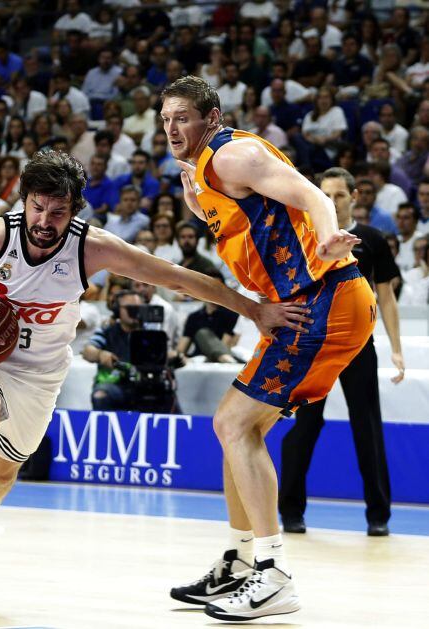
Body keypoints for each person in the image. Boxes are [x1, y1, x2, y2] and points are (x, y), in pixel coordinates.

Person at [0, 149, 309, 582]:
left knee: (4, 471)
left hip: (39, 371)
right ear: (24, 201)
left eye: (58, 212)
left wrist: (252, 310)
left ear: (75, 212)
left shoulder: (91, 248)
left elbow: (177, 277)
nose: (45, 221)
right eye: (38, 208)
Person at [164, 76, 375, 621]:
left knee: (235, 425)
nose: (170, 129)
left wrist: (328, 233)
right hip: (301, 305)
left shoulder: (234, 154)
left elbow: (310, 194)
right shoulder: (205, 175)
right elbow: (249, 224)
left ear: (211, 116)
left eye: (182, 117)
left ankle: (274, 572)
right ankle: (238, 562)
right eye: (165, 120)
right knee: (235, 427)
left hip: (324, 299)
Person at [280, 167, 403, 538]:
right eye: (326, 195)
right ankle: (290, 512)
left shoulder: (372, 239)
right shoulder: (303, 237)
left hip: (359, 346)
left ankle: (378, 515)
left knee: (367, 427)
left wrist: (396, 349)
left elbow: (386, 296)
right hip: (314, 347)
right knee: (304, 426)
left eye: (339, 196)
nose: (332, 202)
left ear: (354, 197)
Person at [83, 290, 145, 410]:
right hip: (115, 383)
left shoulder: (151, 332)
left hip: (146, 384)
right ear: (117, 311)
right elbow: (88, 350)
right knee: (101, 394)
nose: (135, 312)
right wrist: (100, 354)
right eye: (130, 308)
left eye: (138, 308)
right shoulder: (107, 331)